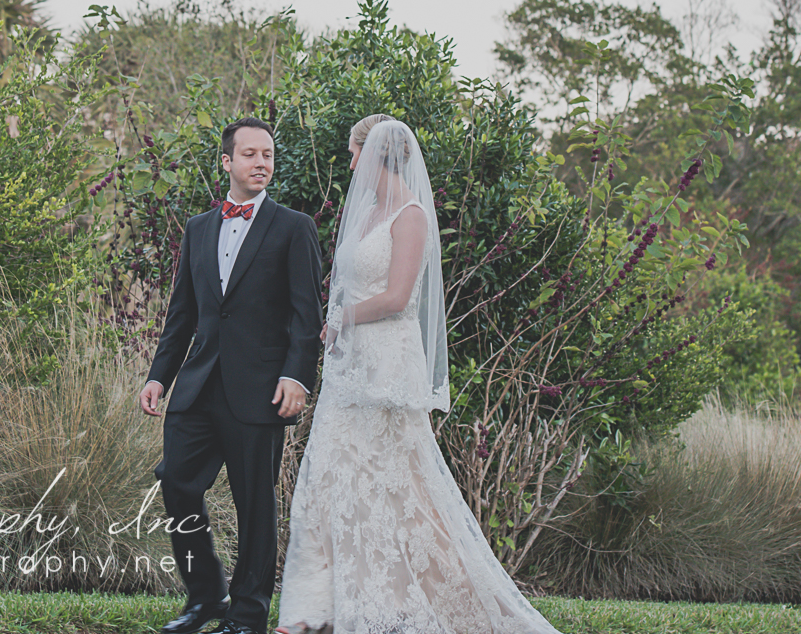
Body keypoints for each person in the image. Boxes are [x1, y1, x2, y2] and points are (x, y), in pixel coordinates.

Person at [275, 115, 561, 634]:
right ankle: (318, 611)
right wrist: (337, 326)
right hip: (349, 367)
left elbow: (397, 298)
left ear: (376, 153)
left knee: (401, 486)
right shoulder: (365, 212)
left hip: (385, 365)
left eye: (354, 152)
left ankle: (449, 602)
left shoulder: (409, 215)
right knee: (332, 479)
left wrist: (338, 321)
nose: (351, 161)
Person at [140, 117, 324, 634]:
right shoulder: (198, 227)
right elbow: (184, 313)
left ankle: (247, 616)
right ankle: (205, 597)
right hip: (198, 385)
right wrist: (159, 376)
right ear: (227, 162)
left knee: (255, 506)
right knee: (175, 480)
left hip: (261, 389)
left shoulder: (293, 227)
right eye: (250, 154)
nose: (261, 162)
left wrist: (297, 377)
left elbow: (308, 315)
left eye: (267, 154)